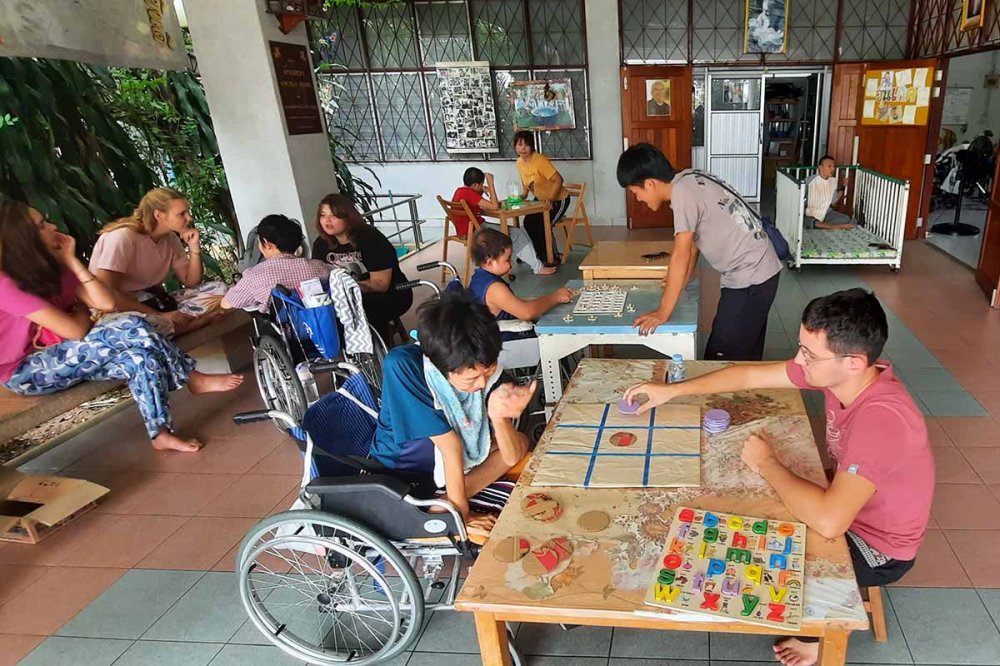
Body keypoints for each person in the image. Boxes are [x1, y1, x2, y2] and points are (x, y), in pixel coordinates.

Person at [624, 288, 932, 666]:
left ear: (854, 361)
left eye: (810, 354)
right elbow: (752, 374)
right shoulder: (841, 377)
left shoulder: (882, 420)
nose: (800, 361)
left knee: (751, 548)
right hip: (846, 500)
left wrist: (767, 462)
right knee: (747, 509)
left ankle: (817, 635)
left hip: (877, 546)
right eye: (802, 348)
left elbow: (830, 521)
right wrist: (671, 392)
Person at [0, 201, 244, 453]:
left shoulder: (56, 267)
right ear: (25, 240)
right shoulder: (6, 284)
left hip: (68, 353)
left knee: (139, 357)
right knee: (130, 323)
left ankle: (160, 433)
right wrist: (81, 313)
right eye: (42, 225)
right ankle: (192, 377)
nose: (52, 226)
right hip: (26, 372)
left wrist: (72, 262)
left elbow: (103, 302)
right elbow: (75, 330)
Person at [369, 291, 534, 522]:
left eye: (488, 372)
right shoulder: (403, 366)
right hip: (407, 472)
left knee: (520, 442)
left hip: (455, 466)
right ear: (443, 368)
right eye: (471, 379)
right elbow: (450, 447)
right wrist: (462, 517)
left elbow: (512, 454)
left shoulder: (485, 366)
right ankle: (438, 510)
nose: (482, 384)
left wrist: (498, 417)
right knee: (509, 447)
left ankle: (443, 504)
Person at [616, 143, 782, 361]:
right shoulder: (689, 177)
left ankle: (729, 393)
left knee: (720, 359)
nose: (638, 199)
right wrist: (682, 280)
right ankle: (743, 392)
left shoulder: (682, 194)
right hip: (761, 270)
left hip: (751, 277)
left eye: (635, 192)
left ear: (649, 183)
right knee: (743, 352)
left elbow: (681, 253)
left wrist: (663, 312)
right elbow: (694, 243)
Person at [89, 187, 221, 336]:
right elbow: (107, 293)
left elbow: (191, 281)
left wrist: (194, 248)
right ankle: (190, 324)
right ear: (158, 215)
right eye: (181, 214)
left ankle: (176, 324)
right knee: (142, 326)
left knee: (218, 289)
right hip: (118, 309)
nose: (189, 218)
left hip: (151, 302)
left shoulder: (170, 238)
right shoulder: (123, 237)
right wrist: (161, 315)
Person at [311, 193, 413, 343]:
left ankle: (379, 353)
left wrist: (350, 287)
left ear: (348, 217)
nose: (327, 221)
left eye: (334, 216)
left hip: (390, 294)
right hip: (345, 298)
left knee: (367, 308)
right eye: (323, 215)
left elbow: (380, 284)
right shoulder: (321, 244)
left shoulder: (371, 239)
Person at [451, 167, 557, 276]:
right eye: (482, 184)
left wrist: (483, 191)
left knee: (512, 232)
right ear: (475, 185)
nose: (483, 186)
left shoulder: (460, 191)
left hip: (467, 231)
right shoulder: (469, 193)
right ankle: (537, 267)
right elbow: (494, 206)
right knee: (517, 233)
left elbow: (481, 204)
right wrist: (491, 185)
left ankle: (526, 259)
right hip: (477, 232)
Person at [221, 214, 331, 313]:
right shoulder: (320, 267)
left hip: (288, 331)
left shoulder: (255, 276)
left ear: (266, 243)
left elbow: (227, 304)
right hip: (326, 324)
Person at [469, 228, 572, 331]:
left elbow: (516, 304)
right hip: (507, 340)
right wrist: (556, 297)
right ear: (490, 262)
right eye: (507, 259)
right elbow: (527, 313)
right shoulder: (494, 288)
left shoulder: (478, 278)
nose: (511, 264)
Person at [515, 130, 571, 265]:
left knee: (543, 224)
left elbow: (559, 180)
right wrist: (524, 194)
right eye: (519, 144)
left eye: (526, 145)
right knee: (528, 223)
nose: (523, 148)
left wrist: (550, 200)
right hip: (540, 200)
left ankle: (552, 256)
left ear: (532, 146)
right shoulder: (519, 162)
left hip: (558, 199)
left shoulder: (540, 160)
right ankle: (538, 253)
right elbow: (525, 180)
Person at [805, 156, 853, 230]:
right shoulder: (810, 181)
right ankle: (834, 226)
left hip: (826, 212)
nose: (832, 169)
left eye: (834, 166)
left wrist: (843, 186)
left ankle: (822, 225)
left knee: (846, 218)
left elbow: (834, 200)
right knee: (806, 220)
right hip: (810, 213)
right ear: (820, 167)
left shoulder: (833, 181)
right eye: (829, 166)